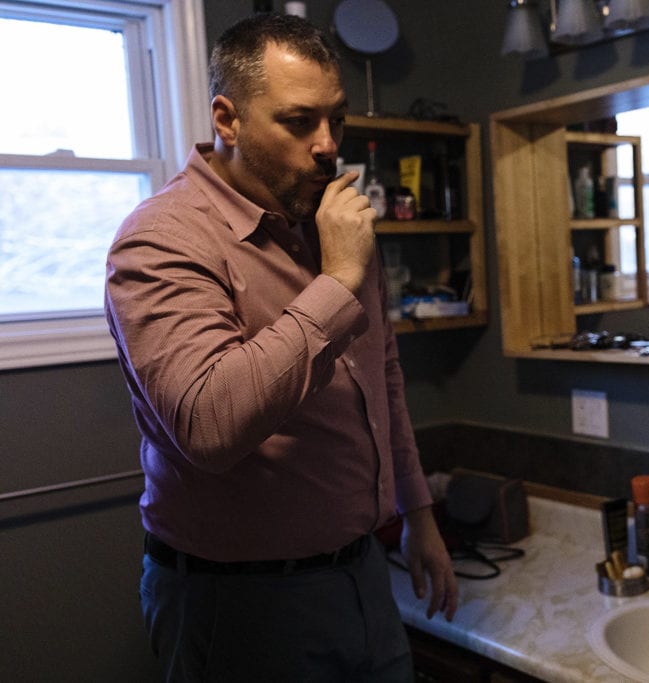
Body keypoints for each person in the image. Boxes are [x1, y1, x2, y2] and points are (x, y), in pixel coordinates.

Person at [104, 13, 457, 682]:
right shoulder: (161, 239)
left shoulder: (333, 223)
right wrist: (337, 282)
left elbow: (381, 376)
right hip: (236, 599)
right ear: (227, 120)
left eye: (336, 120)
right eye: (298, 122)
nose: (327, 146)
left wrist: (419, 514)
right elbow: (209, 424)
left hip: (362, 571)